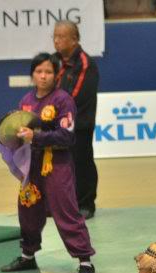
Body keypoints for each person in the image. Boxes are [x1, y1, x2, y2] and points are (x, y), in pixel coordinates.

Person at [0, 53, 96, 273]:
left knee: (66, 212)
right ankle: (27, 255)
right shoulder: (26, 100)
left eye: (48, 72)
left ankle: (85, 261)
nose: (43, 76)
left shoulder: (64, 100)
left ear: (56, 75)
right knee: (28, 210)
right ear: (33, 74)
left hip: (57, 166)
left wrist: (36, 136)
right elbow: (19, 133)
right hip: (30, 166)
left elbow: (67, 136)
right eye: (39, 72)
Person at [53, 20, 100, 220]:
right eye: (54, 36)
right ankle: (63, 204)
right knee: (60, 165)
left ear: (74, 39)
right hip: (58, 123)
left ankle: (86, 204)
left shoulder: (84, 63)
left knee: (81, 164)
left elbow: (75, 96)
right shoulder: (54, 61)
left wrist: (53, 109)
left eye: (61, 36)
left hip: (79, 124)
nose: (56, 41)